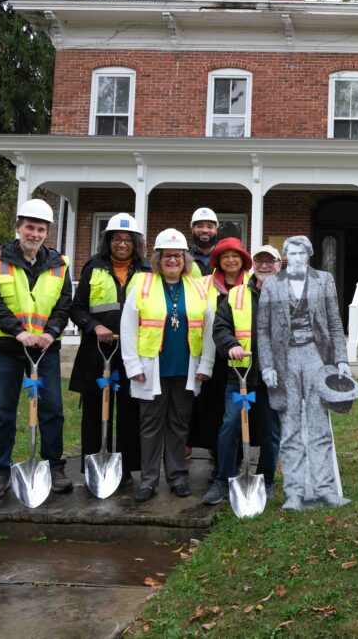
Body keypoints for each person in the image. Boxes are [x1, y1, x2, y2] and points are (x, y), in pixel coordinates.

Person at [0, 199, 73, 499]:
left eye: (41, 229)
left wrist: (52, 332)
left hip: (45, 349)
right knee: (4, 411)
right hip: (6, 346)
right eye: (29, 227)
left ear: (47, 233)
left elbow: (63, 303)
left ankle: (54, 467)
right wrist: (17, 332)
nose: (34, 233)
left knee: (52, 410)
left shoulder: (59, 264)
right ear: (18, 228)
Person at [258, 236, 352, 510]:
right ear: (285, 257)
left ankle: (326, 490)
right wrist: (267, 365)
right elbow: (262, 329)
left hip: (315, 356)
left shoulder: (324, 280)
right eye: (291, 254)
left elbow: (335, 321)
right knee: (290, 428)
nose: (297, 258)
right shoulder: (272, 285)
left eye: (301, 254)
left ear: (309, 255)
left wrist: (341, 359)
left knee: (319, 425)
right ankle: (294, 493)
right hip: (284, 358)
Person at [121, 228, 215, 501]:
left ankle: (177, 477)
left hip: (186, 367)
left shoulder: (199, 286)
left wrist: (206, 365)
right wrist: (132, 366)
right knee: (150, 426)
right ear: (158, 258)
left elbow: (208, 329)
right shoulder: (142, 284)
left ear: (186, 259)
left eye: (178, 255)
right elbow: (127, 326)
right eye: (167, 255)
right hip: (151, 367)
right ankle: (148, 481)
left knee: (179, 425)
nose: (173, 260)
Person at [69, 213, 151, 487]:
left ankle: (126, 467)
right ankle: (94, 465)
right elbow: (76, 308)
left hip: (132, 352)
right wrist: (94, 327)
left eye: (128, 239)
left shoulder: (146, 271)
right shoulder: (93, 267)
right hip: (96, 352)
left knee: (129, 410)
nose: (122, 244)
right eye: (117, 238)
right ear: (108, 241)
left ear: (136, 242)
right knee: (94, 410)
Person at [202, 244, 284, 505]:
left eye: (270, 261)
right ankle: (222, 481)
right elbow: (220, 327)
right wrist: (231, 346)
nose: (264, 265)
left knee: (271, 432)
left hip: (273, 381)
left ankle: (266, 481)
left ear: (279, 266)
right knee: (229, 428)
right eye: (260, 261)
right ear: (254, 265)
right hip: (240, 379)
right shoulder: (236, 295)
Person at [188, 237, 252, 463]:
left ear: (243, 259)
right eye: (226, 256)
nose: (231, 260)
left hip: (243, 357)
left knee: (240, 409)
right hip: (212, 353)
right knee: (213, 408)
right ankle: (218, 456)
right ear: (218, 260)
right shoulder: (204, 283)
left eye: (236, 256)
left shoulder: (252, 282)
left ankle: (239, 457)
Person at [189, 207, 219, 278]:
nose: (205, 230)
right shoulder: (183, 257)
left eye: (209, 226)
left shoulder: (224, 256)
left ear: (216, 231)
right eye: (200, 226)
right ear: (192, 230)